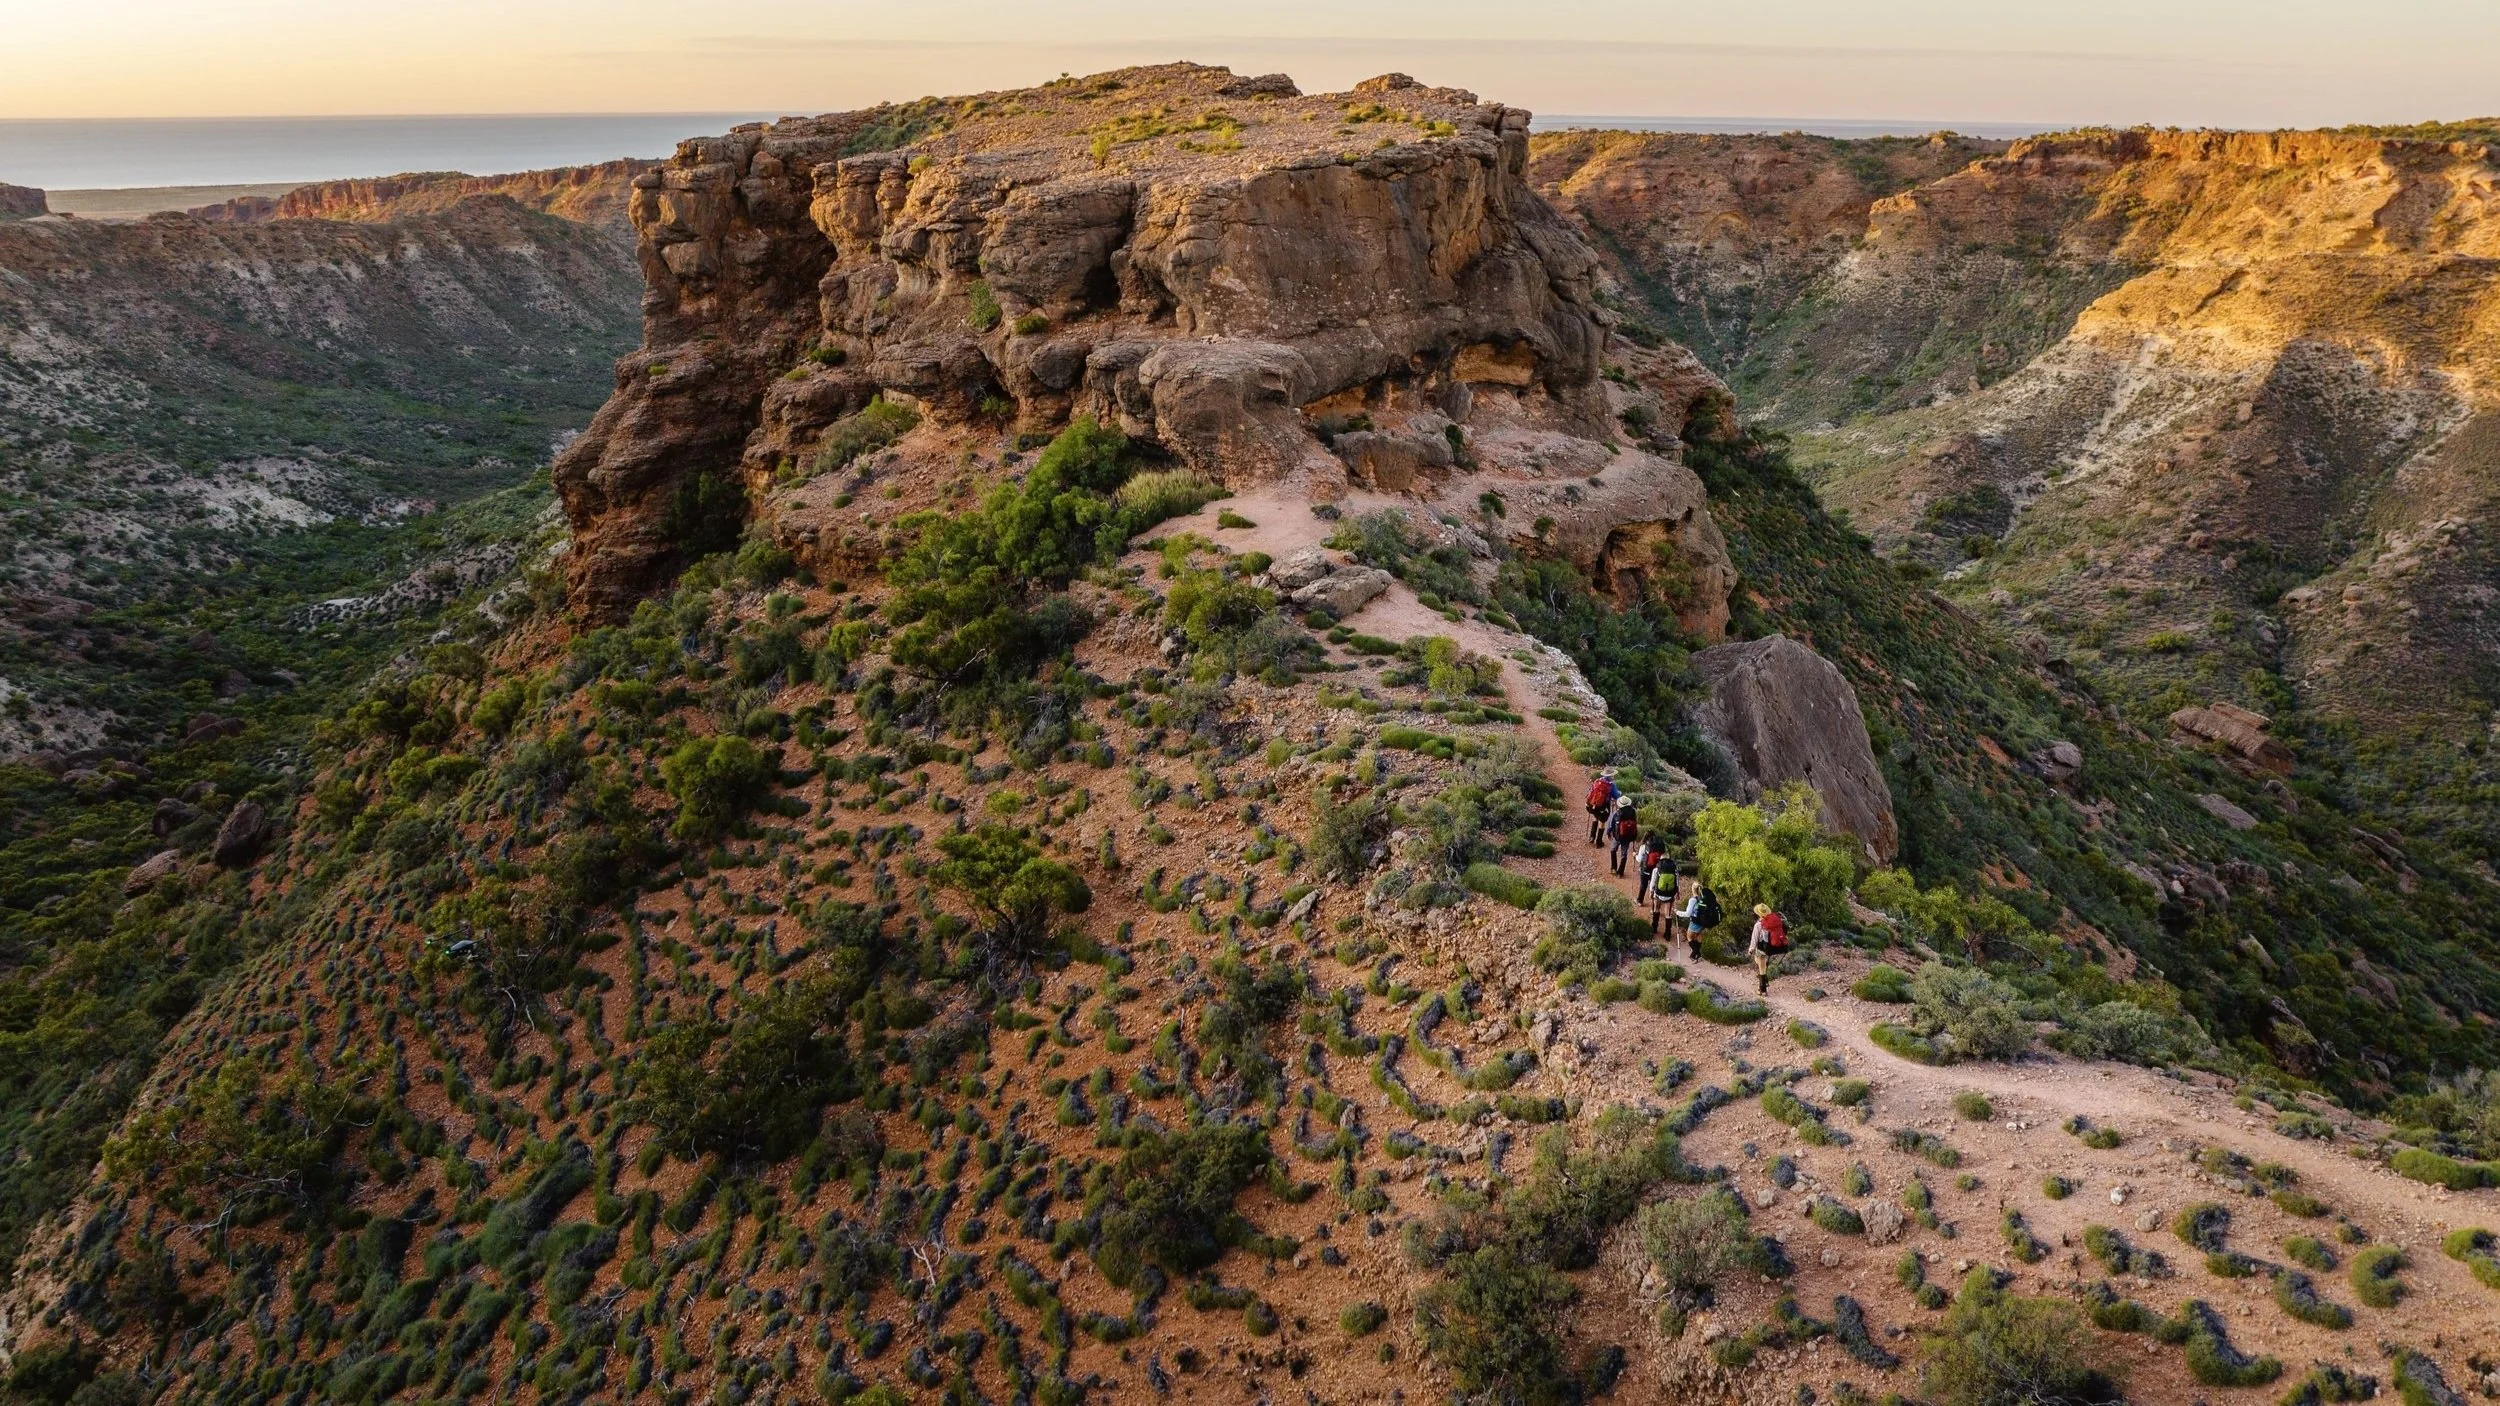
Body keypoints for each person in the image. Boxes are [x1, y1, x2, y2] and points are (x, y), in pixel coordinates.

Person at [1747, 902, 1788, 996]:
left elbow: (1754, 938)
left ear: (1759, 913)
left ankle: (1762, 990)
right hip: (1771, 947)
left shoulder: (1758, 925)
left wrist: (1751, 949)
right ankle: (1765, 982)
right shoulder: (1774, 922)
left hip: (1762, 948)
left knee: (1761, 967)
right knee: (1763, 965)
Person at [1676, 874, 1720, 958]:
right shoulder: (1704, 899)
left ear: (1693, 889)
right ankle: (1696, 954)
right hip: (1703, 921)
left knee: (1689, 937)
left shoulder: (1693, 900)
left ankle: (1695, 953)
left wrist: (1677, 912)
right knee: (1698, 936)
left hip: (1695, 921)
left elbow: (1688, 913)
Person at [1584, 770, 1618, 846]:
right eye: (1613, 775)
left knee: (1595, 817)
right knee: (1602, 822)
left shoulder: (1597, 781)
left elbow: (1590, 790)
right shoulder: (1611, 785)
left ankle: (1592, 837)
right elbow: (1616, 796)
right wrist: (1619, 793)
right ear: (1611, 776)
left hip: (1592, 805)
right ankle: (1598, 842)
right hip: (1603, 806)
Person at [1607, 798, 1639, 876]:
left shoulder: (1617, 813)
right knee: (1624, 853)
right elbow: (1635, 824)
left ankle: (1613, 868)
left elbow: (1611, 824)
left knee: (1613, 849)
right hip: (1628, 837)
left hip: (1617, 836)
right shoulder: (1633, 812)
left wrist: (1608, 832)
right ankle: (1620, 873)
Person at [1649, 858, 1678, 938]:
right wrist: (1677, 892)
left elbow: (1653, 882)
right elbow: (1677, 883)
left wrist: (1651, 892)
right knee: (1668, 914)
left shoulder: (1656, 869)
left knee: (1656, 909)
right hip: (1670, 895)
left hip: (1658, 894)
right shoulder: (1674, 870)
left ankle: (1654, 928)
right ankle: (1667, 933)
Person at [1634, 835, 1664, 907]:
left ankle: (1640, 901)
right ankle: (1654, 906)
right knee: (1654, 887)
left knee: (1643, 885)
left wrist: (1635, 855)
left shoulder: (1644, 847)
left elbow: (1639, 859)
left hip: (1645, 870)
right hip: (1656, 870)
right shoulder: (1660, 848)